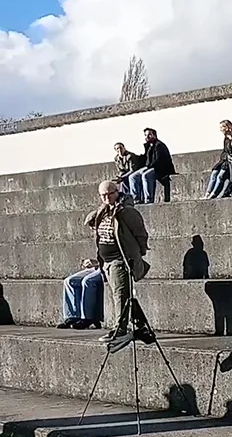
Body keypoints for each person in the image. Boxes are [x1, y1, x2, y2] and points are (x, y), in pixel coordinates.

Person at [85, 181, 149, 341]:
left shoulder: (126, 211)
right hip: (106, 261)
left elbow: (140, 233)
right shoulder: (103, 211)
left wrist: (138, 254)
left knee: (120, 294)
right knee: (121, 294)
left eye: (110, 194)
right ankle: (140, 324)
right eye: (103, 195)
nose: (107, 198)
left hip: (120, 260)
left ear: (117, 192)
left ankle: (120, 329)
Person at [128, 128, 176, 204]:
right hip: (150, 167)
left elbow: (159, 161)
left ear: (154, 135)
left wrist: (148, 167)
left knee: (145, 175)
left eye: (149, 135)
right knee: (132, 177)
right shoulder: (149, 146)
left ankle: (148, 199)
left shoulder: (159, 145)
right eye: (146, 135)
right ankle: (135, 199)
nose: (147, 137)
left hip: (161, 169)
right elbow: (145, 159)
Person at [58, 259, 105, 330]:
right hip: (97, 267)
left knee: (88, 281)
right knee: (69, 281)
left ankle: (88, 318)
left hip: (107, 266)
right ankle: (73, 317)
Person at [206, 120, 232, 199]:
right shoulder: (226, 138)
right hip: (224, 160)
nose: (221, 130)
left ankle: (214, 194)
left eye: (222, 127)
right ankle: (208, 193)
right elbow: (225, 151)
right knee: (214, 173)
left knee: (221, 176)